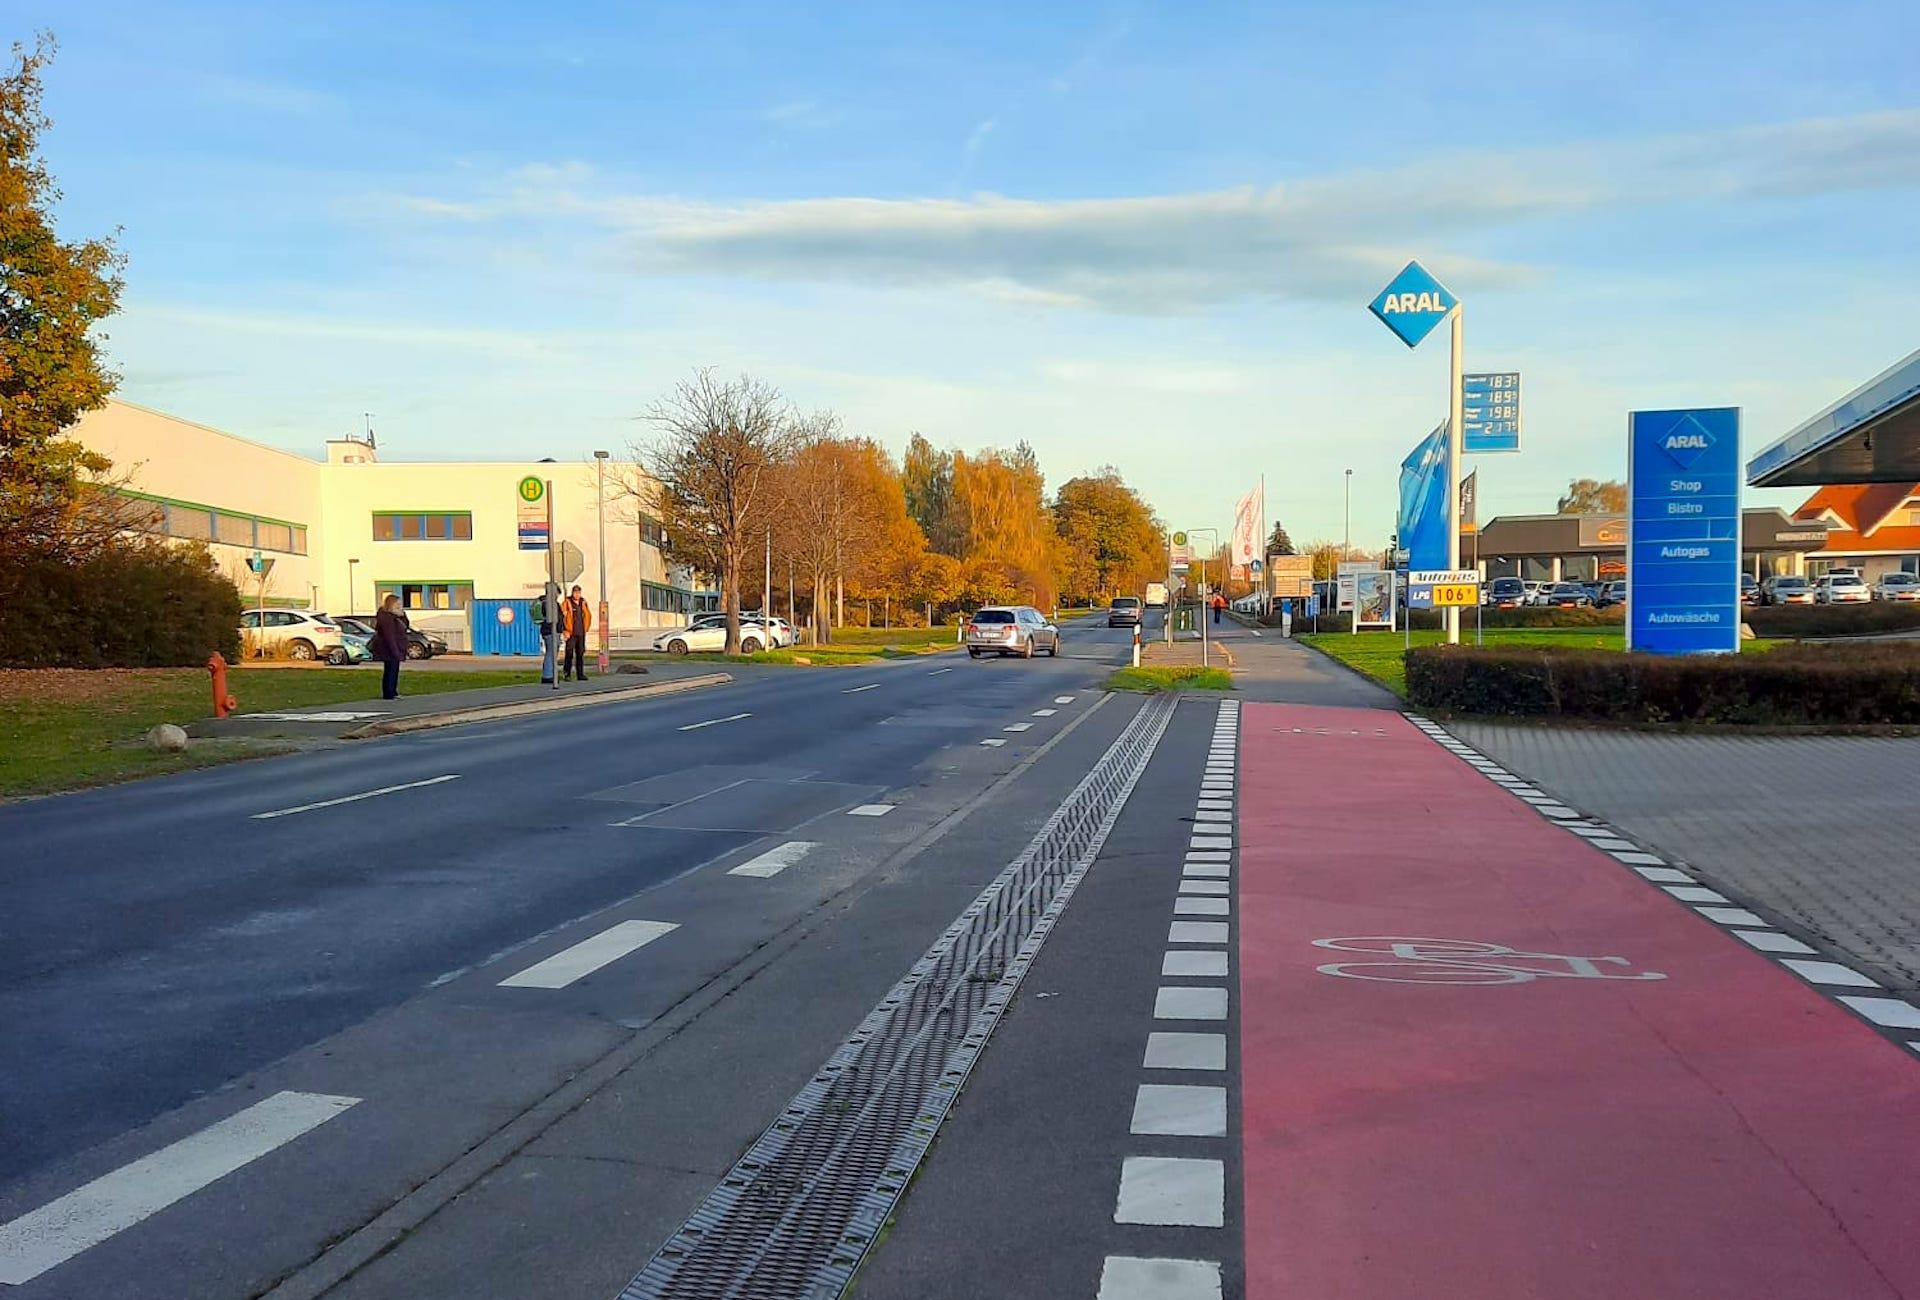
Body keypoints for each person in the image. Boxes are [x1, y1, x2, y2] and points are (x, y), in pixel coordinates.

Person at [371, 594, 410, 700]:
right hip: (389, 648)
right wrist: (395, 651)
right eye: (397, 604)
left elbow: (406, 625)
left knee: (394, 670)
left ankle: (393, 691)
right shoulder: (386, 617)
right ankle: (389, 693)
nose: (400, 606)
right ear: (391, 604)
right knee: (390, 670)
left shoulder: (396, 616)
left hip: (397, 646)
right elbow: (389, 636)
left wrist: (403, 615)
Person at [560, 584, 592, 681]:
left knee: (580, 653)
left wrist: (586, 628)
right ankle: (567, 674)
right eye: (575, 592)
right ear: (572, 593)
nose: (577, 595)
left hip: (581, 632)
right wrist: (564, 630)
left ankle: (580, 674)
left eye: (578, 593)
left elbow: (588, 615)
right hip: (571, 633)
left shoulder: (583, 602)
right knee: (569, 654)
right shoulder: (567, 602)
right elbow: (562, 617)